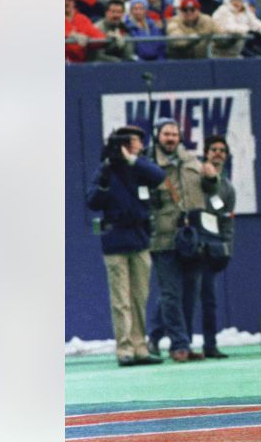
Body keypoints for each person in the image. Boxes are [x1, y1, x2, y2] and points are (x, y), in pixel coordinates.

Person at [85, 125, 165, 366]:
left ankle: (141, 346)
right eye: (134, 141)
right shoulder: (106, 169)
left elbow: (159, 177)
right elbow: (92, 201)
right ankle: (125, 349)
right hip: (115, 241)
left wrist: (134, 162)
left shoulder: (139, 169)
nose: (140, 144)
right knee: (121, 300)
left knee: (140, 297)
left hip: (139, 239)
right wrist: (107, 175)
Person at [146, 118, 216, 362]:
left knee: (188, 294)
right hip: (164, 238)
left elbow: (209, 192)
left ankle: (174, 339)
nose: (171, 138)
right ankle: (178, 345)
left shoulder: (191, 161)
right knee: (170, 295)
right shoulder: (149, 163)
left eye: (174, 134)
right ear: (158, 136)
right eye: (166, 134)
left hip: (192, 238)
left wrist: (211, 178)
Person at [197, 135, 236, 358]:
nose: (218, 153)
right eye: (214, 150)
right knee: (174, 297)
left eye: (222, 150)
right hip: (190, 245)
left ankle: (210, 345)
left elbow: (227, 221)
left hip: (211, 248)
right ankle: (159, 339)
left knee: (209, 300)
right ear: (206, 153)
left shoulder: (228, 188)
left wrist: (226, 248)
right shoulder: (194, 178)